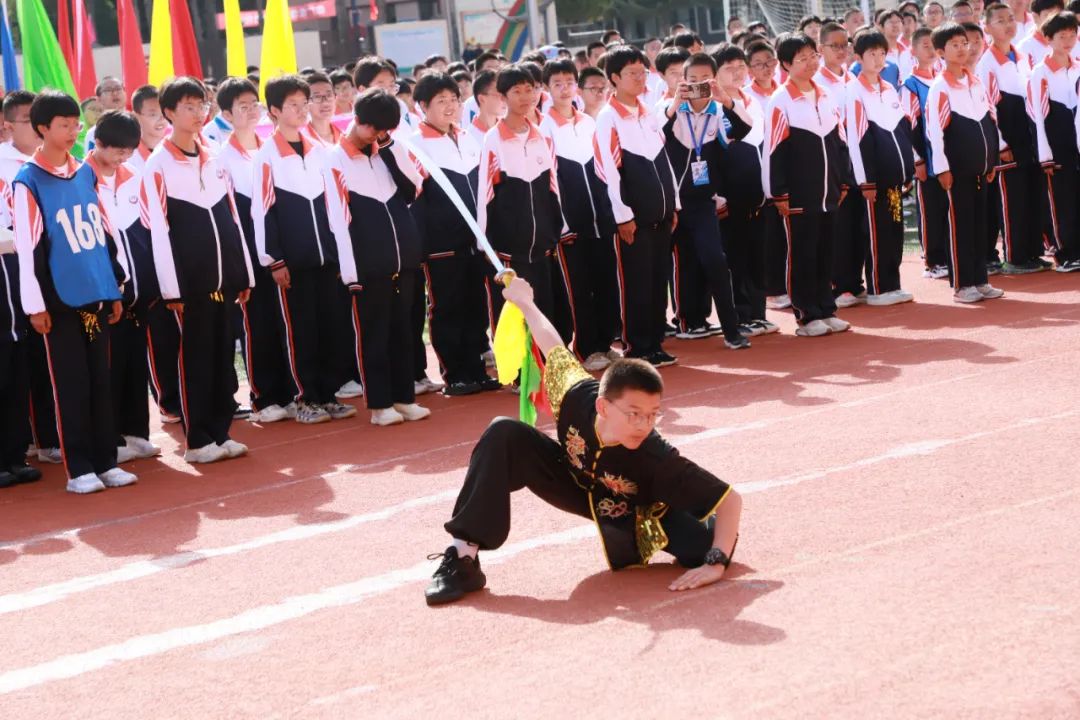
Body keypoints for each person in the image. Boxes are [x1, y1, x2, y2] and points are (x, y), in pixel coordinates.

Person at [424, 275, 742, 606]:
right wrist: (524, 301)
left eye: (653, 414)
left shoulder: (656, 456)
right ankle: (464, 557)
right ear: (603, 406)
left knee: (702, 549)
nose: (644, 424)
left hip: (642, 511)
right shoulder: (577, 394)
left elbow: (731, 500)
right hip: (576, 481)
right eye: (634, 414)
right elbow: (553, 346)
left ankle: (702, 533)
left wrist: (717, 561)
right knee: (504, 432)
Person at [13, 91, 134, 494]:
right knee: (71, 385)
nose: (72, 131)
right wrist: (34, 305)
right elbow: (29, 251)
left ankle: (106, 461)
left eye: (75, 124)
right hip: (58, 301)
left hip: (95, 294)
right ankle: (78, 467)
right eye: (63, 124)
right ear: (42, 128)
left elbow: (105, 234)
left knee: (101, 380)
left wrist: (115, 287)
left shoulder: (85, 173)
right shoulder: (27, 181)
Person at [143, 77, 255, 462]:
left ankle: (220, 431)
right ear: (169, 113)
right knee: (195, 358)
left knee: (223, 357)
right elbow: (158, 231)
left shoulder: (214, 158)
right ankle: (198, 440)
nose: (197, 113)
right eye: (188, 106)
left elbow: (233, 219)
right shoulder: (157, 165)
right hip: (189, 286)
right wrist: (172, 290)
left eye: (200, 104)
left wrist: (244, 275)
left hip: (226, 280)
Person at [251, 75, 356, 424]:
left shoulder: (320, 151)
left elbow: (335, 207)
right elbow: (262, 213)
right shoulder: (266, 157)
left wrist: (341, 252)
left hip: (327, 259)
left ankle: (327, 395)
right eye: (292, 105)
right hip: (292, 265)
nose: (301, 110)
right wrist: (274, 260)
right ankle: (305, 398)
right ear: (274, 111)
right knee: (301, 333)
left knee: (331, 328)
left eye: (303, 102)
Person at [324, 89, 432, 426]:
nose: (379, 135)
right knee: (374, 335)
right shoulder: (334, 159)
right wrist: (350, 271)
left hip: (404, 260)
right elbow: (337, 220)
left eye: (386, 131)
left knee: (403, 332)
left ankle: (404, 398)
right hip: (367, 267)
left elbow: (414, 189)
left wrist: (389, 150)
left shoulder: (388, 148)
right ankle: (380, 404)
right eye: (374, 129)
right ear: (357, 120)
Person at [215, 77, 298, 424]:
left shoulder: (271, 148)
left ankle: (290, 390)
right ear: (226, 114)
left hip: (277, 248)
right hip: (248, 252)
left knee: (285, 322)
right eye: (242, 106)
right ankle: (264, 395)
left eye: (254, 104)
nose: (251, 111)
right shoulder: (222, 158)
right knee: (257, 323)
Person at [409, 72, 496, 396]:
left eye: (454, 100)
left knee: (475, 305)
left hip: (475, 240)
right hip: (441, 243)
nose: (450, 106)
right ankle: (455, 372)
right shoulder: (415, 144)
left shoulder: (468, 136)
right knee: (448, 307)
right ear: (422, 106)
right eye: (441, 101)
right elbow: (413, 196)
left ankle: (476, 368)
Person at [764, 33, 855, 337]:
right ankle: (806, 314)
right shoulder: (781, 100)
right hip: (799, 193)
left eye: (812, 55)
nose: (809, 62)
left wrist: (843, 181)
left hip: (829, 190)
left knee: (826, 250)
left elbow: (840, 140)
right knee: (802, 253)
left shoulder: (825, 94)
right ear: (786, 64)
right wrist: (779, 192)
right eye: (800, 58)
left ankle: (826, 308)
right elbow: (774, 150)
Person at [594, 46, 680, 366]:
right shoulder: (608, 118)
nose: (639, 78)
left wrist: (675, 204)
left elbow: (664, 160)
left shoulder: (647, 110)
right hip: (633, 219)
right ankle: (637, 346)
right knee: (636, 283)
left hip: (660, 213)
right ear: (614, 78)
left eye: (642, 72)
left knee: (658, 280)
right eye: (631, 73)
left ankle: (655, 341)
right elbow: (609, 171)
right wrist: (622, 215)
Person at [88, 110, 163, 465]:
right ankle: (112, 437)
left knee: (136, 365)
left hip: (139, 293)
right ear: (98, 143)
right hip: (104, 296)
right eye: (116, 150)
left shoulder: (135, 176)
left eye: (129, 151)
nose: (122, 157)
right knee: (108, 368)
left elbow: (151, 230)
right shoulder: (80, 180)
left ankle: (137, 433)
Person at [662, 53, 752, 349]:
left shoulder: (718, 111)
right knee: (674, 265)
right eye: (693, 80)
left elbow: (744, 128)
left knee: (715, 260)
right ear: (682, 81)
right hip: (671, 204)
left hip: (702, 203)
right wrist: (676, 102)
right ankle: (681, 324)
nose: (699, 85)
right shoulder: (669, 109)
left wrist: (725, 98)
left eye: (706, 79)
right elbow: (656, 135)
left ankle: (731, 330)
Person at [476, 65, 569, 336]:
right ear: (503, 98)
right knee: (514, 315)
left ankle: (551, 369)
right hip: (508, 249)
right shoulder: (493, 140)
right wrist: (486, 241)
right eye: (517, 91)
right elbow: (486, 192)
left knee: (547, 310)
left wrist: (556, 228)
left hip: (543, 245)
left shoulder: (542, 136)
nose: (526, 97)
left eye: (530, 90)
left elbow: (553, 186)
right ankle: (517, 374)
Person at [539, 59, 620, 370]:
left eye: (568, 82)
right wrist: (561, 224)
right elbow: (549, 181)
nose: (564, 89)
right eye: (556, 83)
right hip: (570, 225)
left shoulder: (589, 122)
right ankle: (586, 349)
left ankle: (604, 343)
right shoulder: (543, 128)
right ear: (546, 89)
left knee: (606, 283)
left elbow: (604, 170)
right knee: (579, 288)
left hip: (600, 218)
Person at [0, 89, 63, 466]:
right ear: (9, 124)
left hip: (53, 265)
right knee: (19, 352)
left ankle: (51, 435)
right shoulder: (4, 163)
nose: (37, 127)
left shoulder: (54, 161)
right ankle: (26, 440)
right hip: (12, 267)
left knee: (49, 352)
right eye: (28, 120)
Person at [925, 23, 1007, 302]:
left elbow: (990, 120)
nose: (963, 49)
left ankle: (979, 278)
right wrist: (942, 167)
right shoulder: (940, 88)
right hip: (957, 170)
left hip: (981, 168)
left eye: (964, 43)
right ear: (940, 52)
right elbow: (934, 130)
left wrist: (991, 161)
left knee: (979, 224)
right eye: (955, 45)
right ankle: (962, 284)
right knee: (961, 225)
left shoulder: (975, 81)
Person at [979, 2, 1051, 274]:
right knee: (1012, 200)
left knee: (1032, 195)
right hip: (1007, 141)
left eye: (1010, 18)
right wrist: (1000, 144)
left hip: (1028, 138)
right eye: (1000, 21)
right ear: (987, 27)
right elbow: (987, 107)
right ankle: (1016, 256)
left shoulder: (1020, 56)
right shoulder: (987, 63)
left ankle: (1032, 252)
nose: (1008, 24)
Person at [847, 29, 918, 306]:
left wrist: (908, 169)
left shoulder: (889, 89)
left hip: (894, 180)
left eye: (881, 53)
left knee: (895, 228)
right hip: (874, 182)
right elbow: (856, 137)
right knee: (877, 231)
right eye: (871, 54)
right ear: (859, 58)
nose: (878, 60)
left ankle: (893, 283)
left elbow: (903, 129)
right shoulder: (853, 90)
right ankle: (877, 286)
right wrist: (866, 180)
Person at [714, 44, 778, 337]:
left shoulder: (752, 100)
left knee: (758, 253)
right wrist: (717, 195)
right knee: (735, 255)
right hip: (730, 193)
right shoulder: (713, 107)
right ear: (715, 74)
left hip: (759, 190)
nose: (738, 72)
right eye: (730, 68)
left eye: (741, 66)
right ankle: (739, 315)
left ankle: (758, 312)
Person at [1029, 11, 1080, 271]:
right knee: (1061, 199)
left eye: (1073, 34)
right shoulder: (1040, 73)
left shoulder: (1078, 65)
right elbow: (1036, 114)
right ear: (1048, 38)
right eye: (1062, 36)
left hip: (1077, 140)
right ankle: (1064, 253)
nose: (1069, 40)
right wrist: (1044, 154)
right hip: (1055, 139)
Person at [902, 27, 952, 279]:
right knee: (930, 210)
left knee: (947, 209)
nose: (930, 49)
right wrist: (918, 160)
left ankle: (948, 255)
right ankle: (933, 260)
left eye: (933, 44)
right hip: (926, 159)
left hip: (946, 158)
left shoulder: (944, 78)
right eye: (924, 45)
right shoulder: (910, 85)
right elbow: (909, 127)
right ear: (912, 51)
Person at [84, 76, 126, 151]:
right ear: (98, 99)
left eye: (118, 88)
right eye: (108, 90)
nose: (115, 93)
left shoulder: (139, 124)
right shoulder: (94, 133)